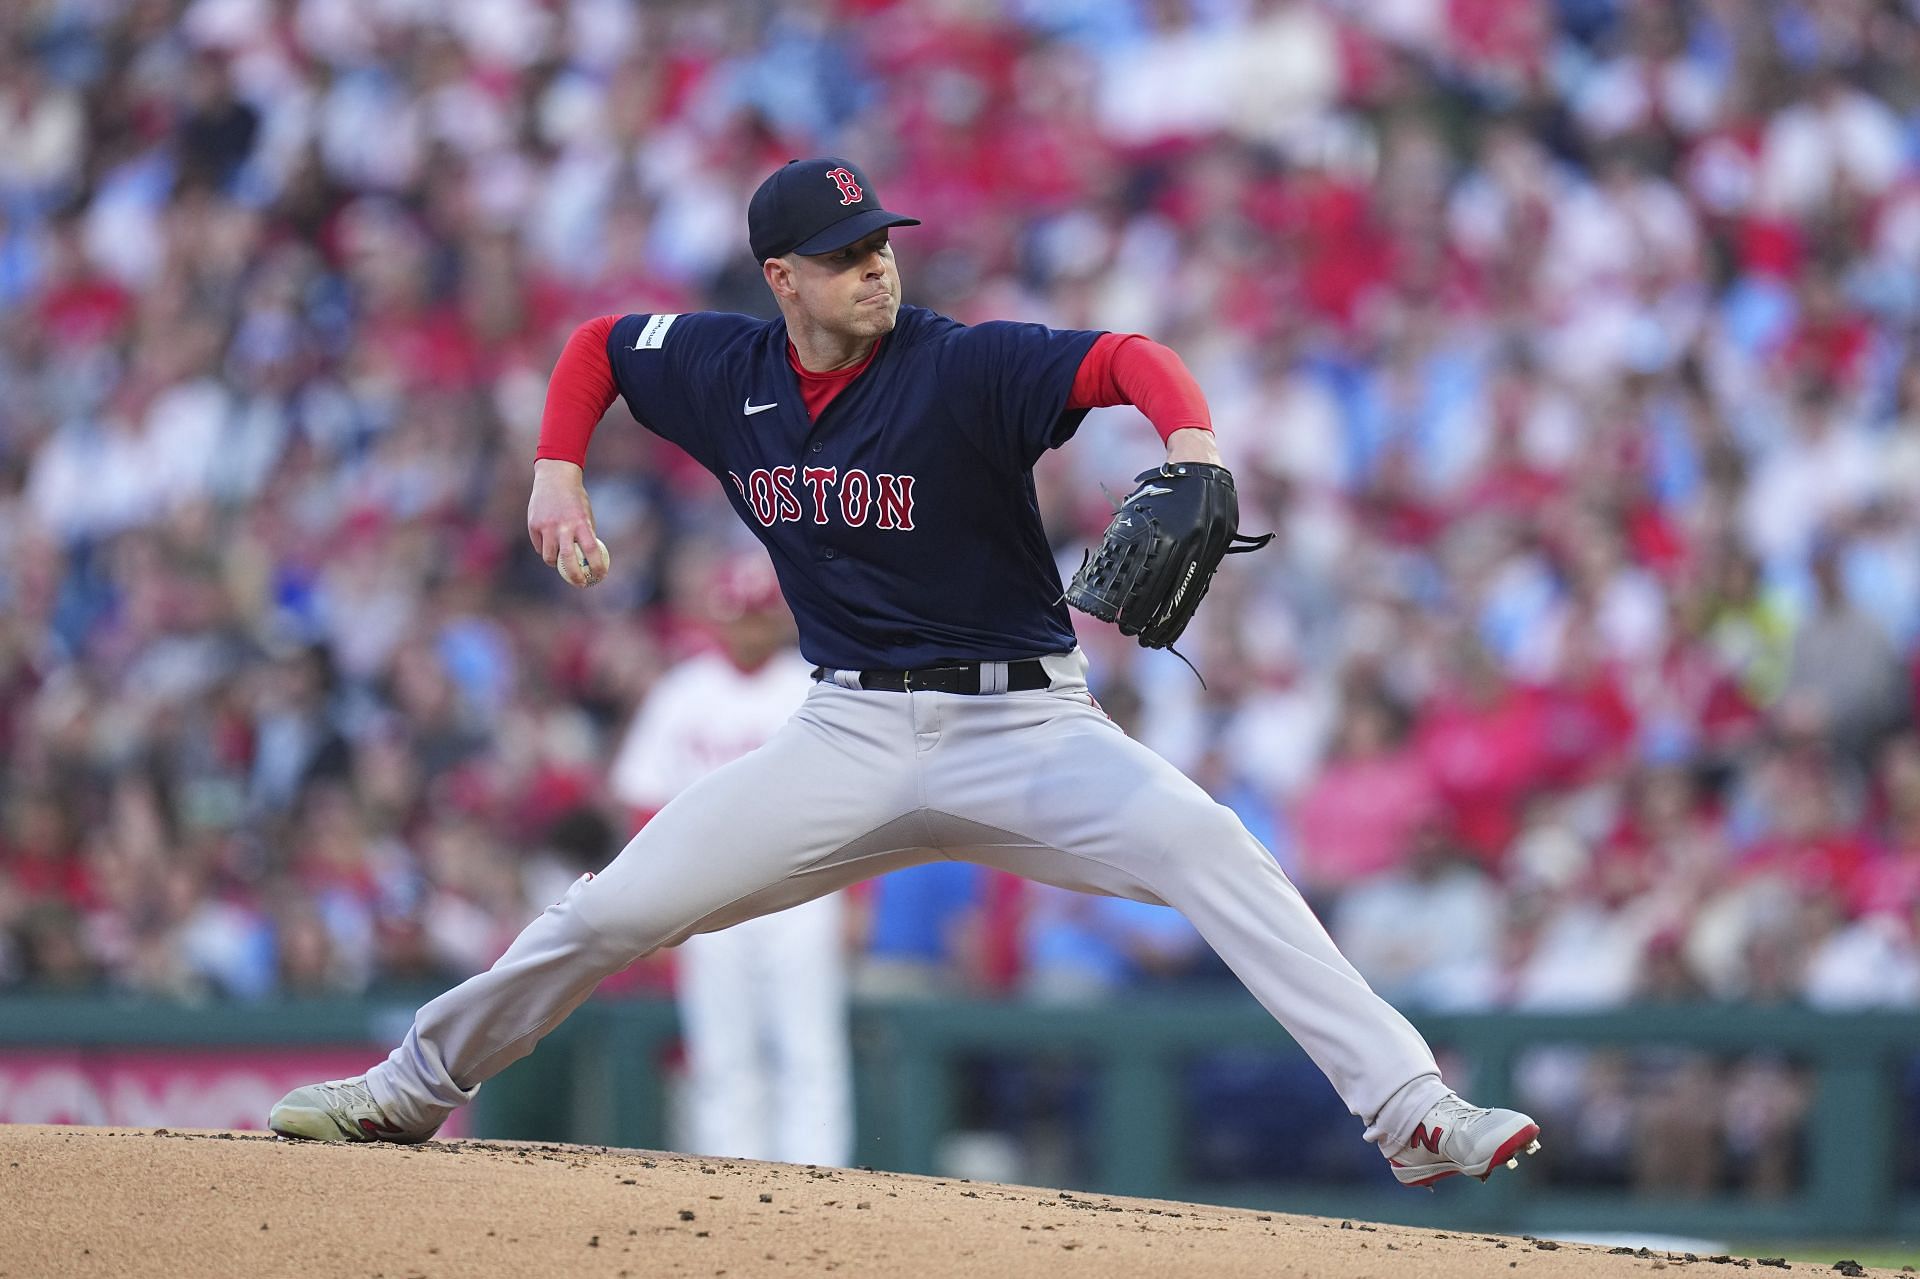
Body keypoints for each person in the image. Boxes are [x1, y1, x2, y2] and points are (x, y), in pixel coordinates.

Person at [269, 156, 1540, 1187]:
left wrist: (1196, 443)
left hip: (1030, 729)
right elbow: (600, 341)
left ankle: (1411, 1111)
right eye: (843, 254)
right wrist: (558, 465)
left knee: (1216, 849)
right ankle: (410, 1089)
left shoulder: (959, 365)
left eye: (880, 241)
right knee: (610, 910)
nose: (874, 263)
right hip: (848, 734)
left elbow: (1123, 359)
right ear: (783, 279)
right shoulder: (725, 372)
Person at [605, 552, 853, 1167]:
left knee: (809, 1048)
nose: (748, 628)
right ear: (717, 619)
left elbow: (858, 803)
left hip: (801, 891)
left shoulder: (815, 687)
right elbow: (644, 802)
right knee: (721, 1049)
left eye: (759, 617)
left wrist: (860, 898)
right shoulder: (683, 693)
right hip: (708, 897)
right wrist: (654, 903)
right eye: (738, 617)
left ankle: (819, 1184)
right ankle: (729, 1184)